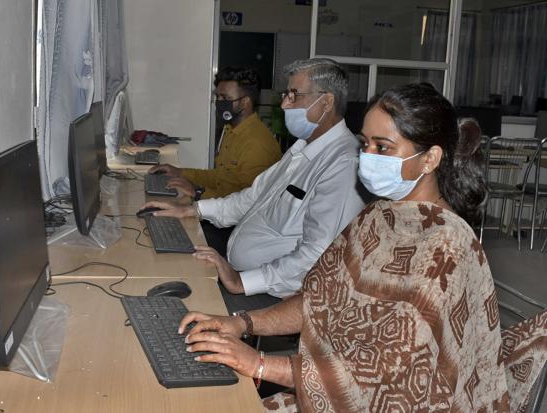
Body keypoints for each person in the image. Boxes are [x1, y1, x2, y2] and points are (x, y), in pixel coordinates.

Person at [177, 83, 511, 412]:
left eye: (383, 147)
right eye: (364, 144)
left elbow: (388, 369)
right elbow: (321, 299)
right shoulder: (380, 216)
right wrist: (242, 323)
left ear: (430, 159)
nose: (366, 157)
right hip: (331, 390)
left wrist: (261, 364)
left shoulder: (447, 248)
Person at [141, 58, 367, 312]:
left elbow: (318, 254)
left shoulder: (344, 164)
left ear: (326, 102)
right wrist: (194, 210)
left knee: (180, 308)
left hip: (273, 294)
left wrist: (242, 282)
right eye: (286, 94)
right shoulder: (302, 148)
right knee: (170, 273)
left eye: (294, 95)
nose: (283, 104)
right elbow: (252, 197)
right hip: (246, 276)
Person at [149, 66, 282, 200]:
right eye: (217, 97)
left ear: (244, 102)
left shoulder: (257, 143)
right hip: (221, 209)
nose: (219, 103)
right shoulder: (231, 130)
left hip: (238, 218)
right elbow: (219, 178)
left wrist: (197, 193)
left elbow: (246, 203)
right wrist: (180, 173)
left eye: (225, 98)